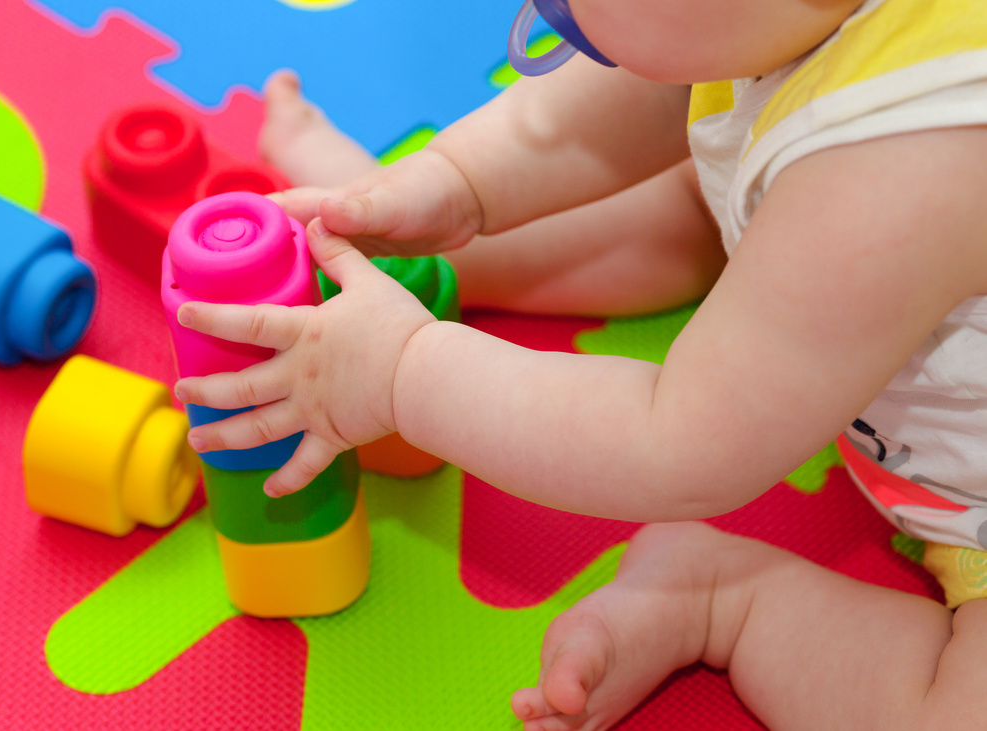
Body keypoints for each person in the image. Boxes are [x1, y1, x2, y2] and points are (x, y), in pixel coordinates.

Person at [172, 0, 987, 727]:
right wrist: (455, 183)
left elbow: (678, 441)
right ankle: (440, 260)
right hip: (863, 274)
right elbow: (654, 86)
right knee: (695, 201)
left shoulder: (903, 169)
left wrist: (402, 372)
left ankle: (730, 601)